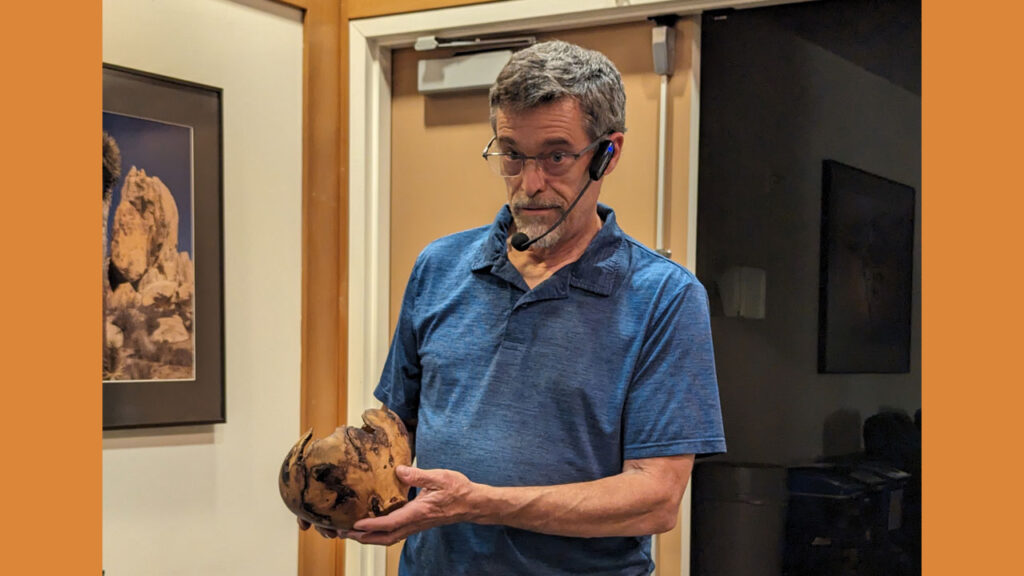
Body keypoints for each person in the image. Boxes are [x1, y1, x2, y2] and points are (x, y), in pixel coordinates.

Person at [300, 40, 726, 575]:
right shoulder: (440, 265)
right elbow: (401, 422)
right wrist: (340, 488)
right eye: (511, 154)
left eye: (556, 156)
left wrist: (479, 502)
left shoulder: (665, 297)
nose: (529, 184)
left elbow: (655, 498)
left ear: (608, 154)